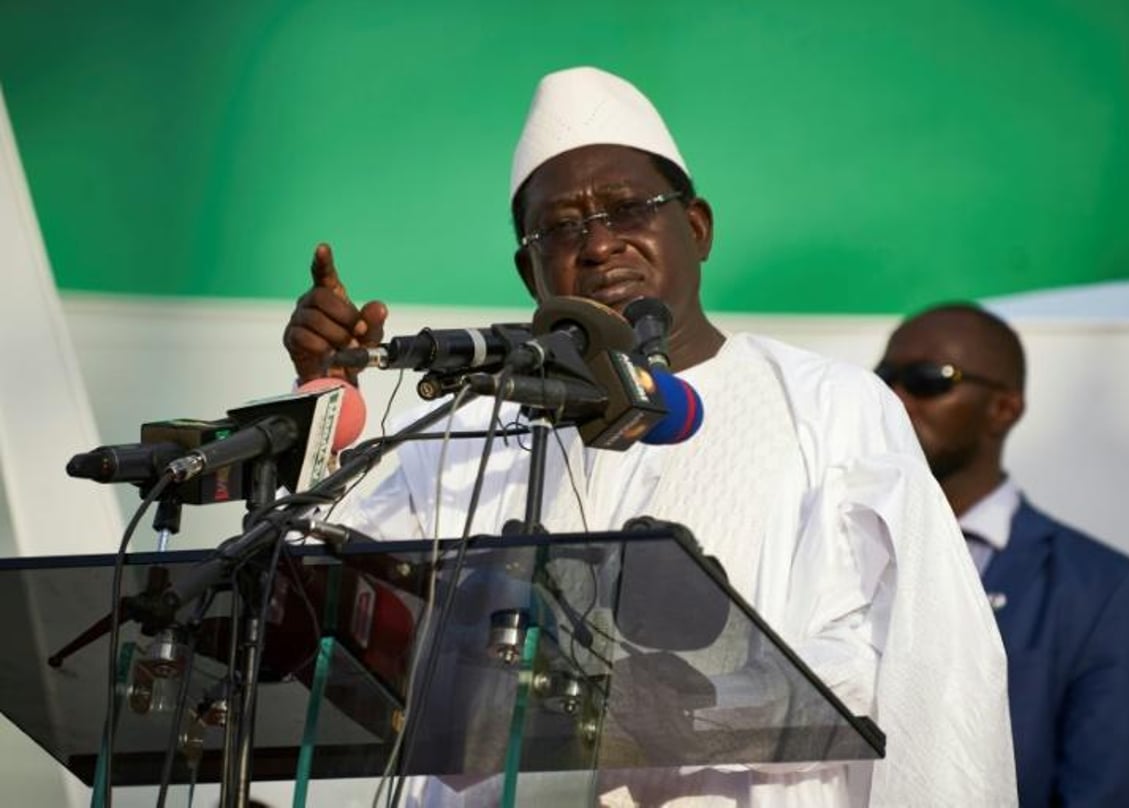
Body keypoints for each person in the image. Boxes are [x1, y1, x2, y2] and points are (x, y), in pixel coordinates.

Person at [283, 67, 1016, 805]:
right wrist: (321, 398)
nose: (599, 244)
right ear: (528, 270)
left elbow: (927, 663)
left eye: (628, 209)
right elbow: (341, 617)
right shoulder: (469, 424)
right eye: (561, 227)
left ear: (695, 228)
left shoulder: (827, 407)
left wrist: (689, 704)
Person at [877, 302, 1129, 808]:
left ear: (1004, 408)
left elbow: (1110, 791)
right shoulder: (838, 546)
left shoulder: (1105, 589)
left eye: (929, 379)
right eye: (885, 378)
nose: (897, 397)